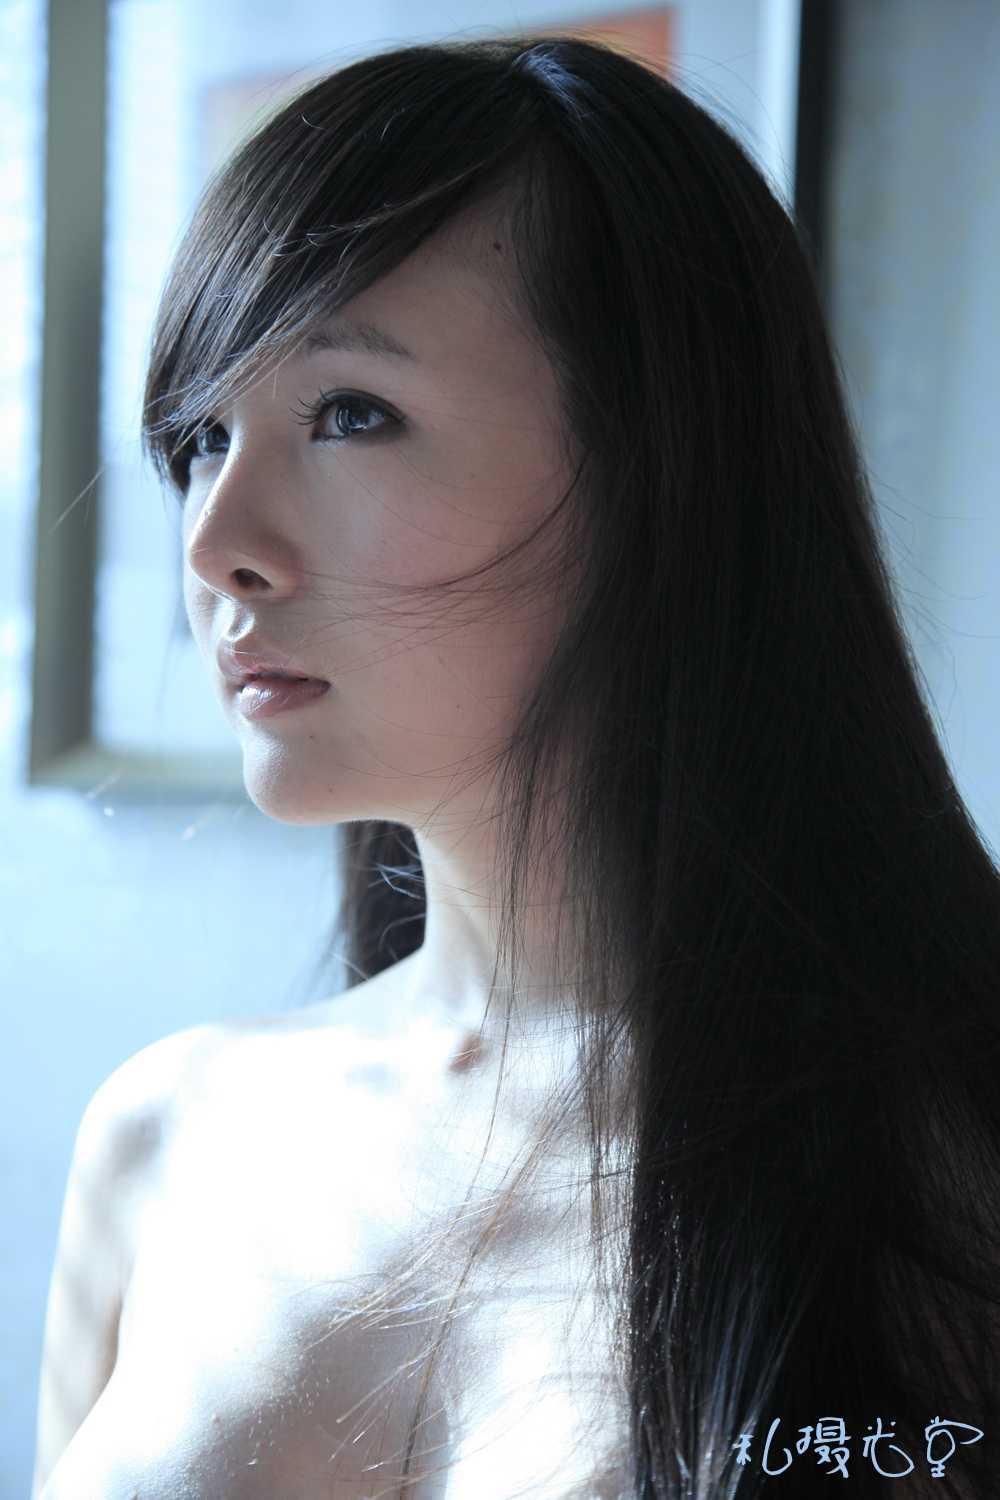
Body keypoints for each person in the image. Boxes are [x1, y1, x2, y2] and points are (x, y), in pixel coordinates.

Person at [32, 33, 1000, 1500]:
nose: (219, 543)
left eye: (351, 415)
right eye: (202, 436)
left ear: (658, 466)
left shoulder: (949, 1161)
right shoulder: (164, 1137)